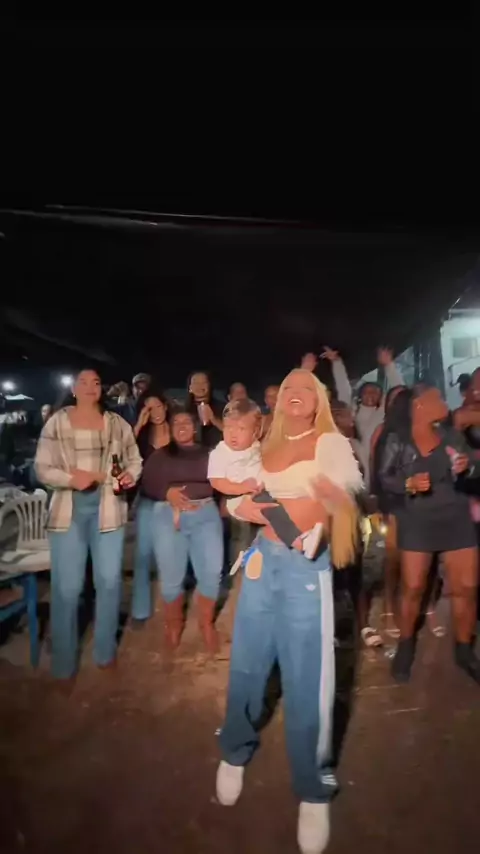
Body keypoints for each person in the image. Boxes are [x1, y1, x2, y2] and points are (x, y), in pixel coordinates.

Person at [216, 369, 362, 854]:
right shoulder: (265, 445)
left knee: (308, 680)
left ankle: (313, 788)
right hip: (262, 563)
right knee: (247, 666)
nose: (296, 393)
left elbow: (349, 493)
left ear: (319, 399)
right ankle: (234, 748)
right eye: (288, 388)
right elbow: (235, 496)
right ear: (278, 401)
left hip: (306, 569)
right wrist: (243, 509)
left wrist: (327, 506)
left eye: (306, 388)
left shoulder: (331, 443)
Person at [35, 369, 142, 679]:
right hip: (68, 511)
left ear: (101, 389)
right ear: (73, 388)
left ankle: (105, 651)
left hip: (109, 510)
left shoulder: (116, 423)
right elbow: (42, 467)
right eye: (83, 381)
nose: (90, 386)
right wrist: (71, 479)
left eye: (95, 382)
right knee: (67, 588)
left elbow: (134, 460)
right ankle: (64, 661)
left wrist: (129, 476)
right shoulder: (58, 421)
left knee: (109, 582)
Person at [378, 384, 480, 684]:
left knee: (467, 586)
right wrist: (408, 484)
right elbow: (385, 477)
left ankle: (464, 650)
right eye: (435, 398)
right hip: (418, 518)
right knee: (413, 587)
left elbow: (474, 465)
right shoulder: (397, 439)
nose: (442, 401)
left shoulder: (451, 434)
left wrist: (467, 466)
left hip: (456, 516)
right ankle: (406, 645)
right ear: (419, 405)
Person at [139, 408, 224, 653]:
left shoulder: (210, 453)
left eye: (187, 421)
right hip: (168, 515)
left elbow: (222, 480)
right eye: (177, 422)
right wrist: (166, 492)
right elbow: (146, 482)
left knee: (212, 571)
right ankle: (173, 625)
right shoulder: (160, 455)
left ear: (195, 427)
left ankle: (206, 624)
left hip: (205, 514)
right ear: (171, 428)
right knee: (171, 575)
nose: (182, 426)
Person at [208, 398, 323, 568]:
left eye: (241, 429)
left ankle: (257, 552)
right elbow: (217, 481)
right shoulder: (220, 453)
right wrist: (241, 488)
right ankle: (300, 543)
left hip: (263, 491)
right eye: (228, 427)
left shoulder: (256, 447)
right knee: (272, 511)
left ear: (255, 432)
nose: (233, 434)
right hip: (240, 498)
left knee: (285, 504)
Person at [130, 392, 171, 626]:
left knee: (171, 557)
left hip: (174, 503)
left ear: (166, 406)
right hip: (148, 500)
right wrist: (139, 424)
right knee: (143, 556)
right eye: (148, 408)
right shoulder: (141, 438)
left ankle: (171, 608)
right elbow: (121, 449)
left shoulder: (177, 431)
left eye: (157, 406)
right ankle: (140, 610)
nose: (155, 412)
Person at [185, 370, 224, 449]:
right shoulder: (183, 410)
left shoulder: (223, 407)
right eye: (196, 383)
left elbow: (232, 431)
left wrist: (214, 419)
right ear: (190, 388)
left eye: (204, 382)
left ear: (209, 386)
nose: (200, 386)